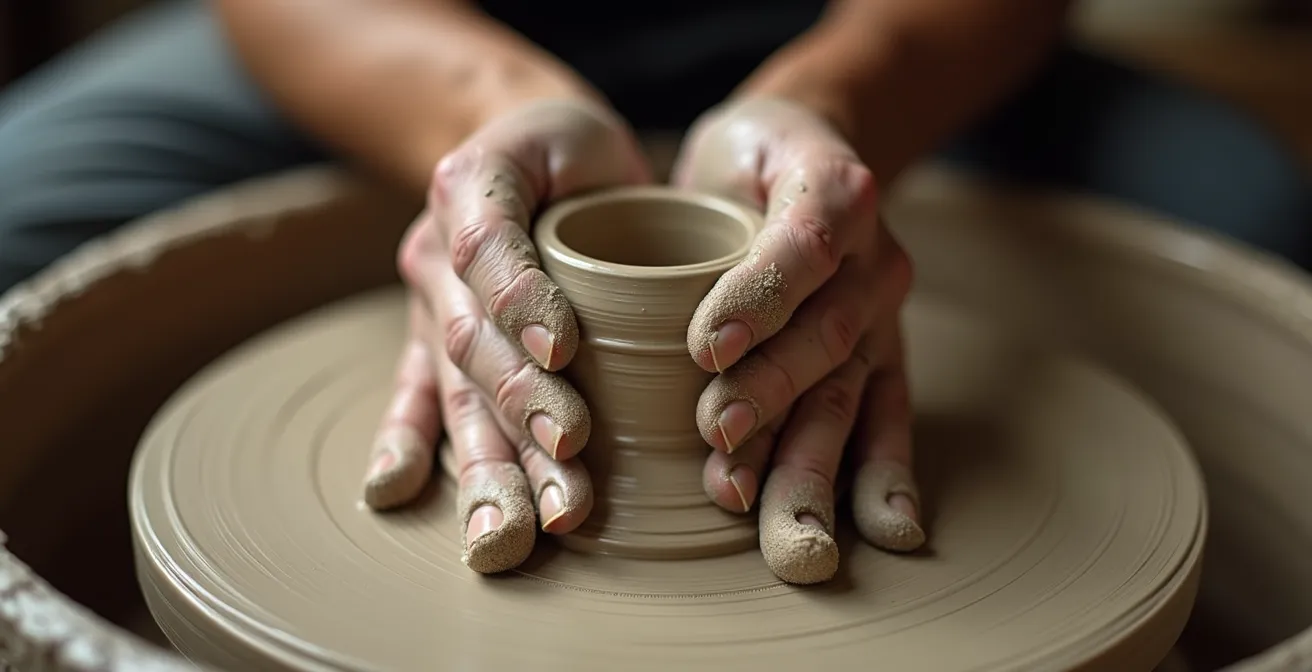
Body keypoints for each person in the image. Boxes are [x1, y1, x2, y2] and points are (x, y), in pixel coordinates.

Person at [0, 0, 1307, 581]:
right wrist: (483, 116)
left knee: (1267, 229)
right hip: (429, 34)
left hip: (855, 35)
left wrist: (840, 104)